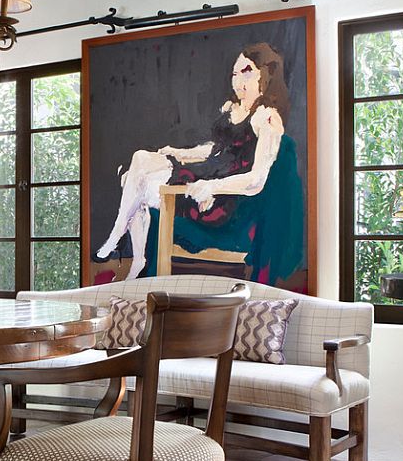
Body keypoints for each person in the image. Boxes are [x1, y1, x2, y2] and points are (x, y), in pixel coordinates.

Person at [95, 42, 303, 282]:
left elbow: (256, 181)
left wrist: (212, 187)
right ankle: (131, 251)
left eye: (247, 72)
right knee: (140, 162)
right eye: (234, 73)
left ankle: (122, 242)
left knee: (134, 183)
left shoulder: (267, 117)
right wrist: (179, 153)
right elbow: (215, 151)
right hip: (205, 175)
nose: (237, 81)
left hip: (220, 199)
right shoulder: (232, 109)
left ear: (266, 74)